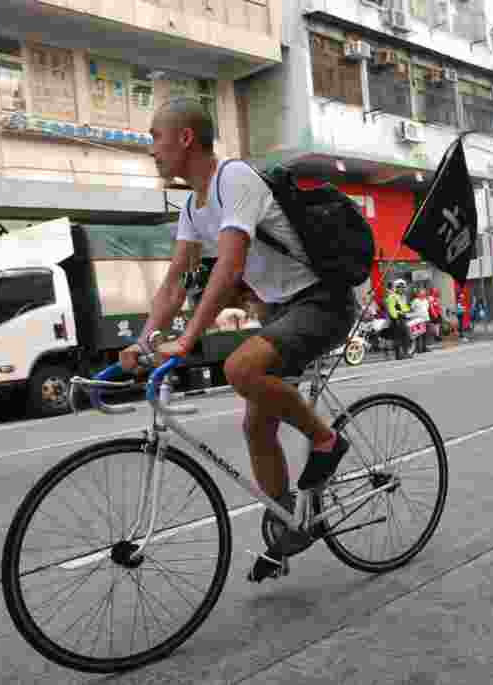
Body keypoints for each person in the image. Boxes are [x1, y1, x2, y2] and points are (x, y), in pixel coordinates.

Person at [126, 97, 356, 579]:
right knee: (255, 426)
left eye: (154, 137)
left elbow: (229, 265)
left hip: (322, 301)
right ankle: (290, 524)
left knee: (240, 369)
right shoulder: (193, 203)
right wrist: (146, 340)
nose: (151, 149)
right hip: (281, 310)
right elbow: (174, 281)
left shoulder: (234, 180)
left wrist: (186, 340)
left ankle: (326, 441)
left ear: (186, 138)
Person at [385, 279, 412, 358]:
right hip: (396, 319)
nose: (402, 289)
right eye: (399, 287)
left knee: (405, 336)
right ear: (396, 288)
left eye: (403, 287)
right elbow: (391, 309)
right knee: (399, 337)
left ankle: (405, 353)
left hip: (402, 318)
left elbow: (404, 307)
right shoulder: (392, 297)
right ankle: (399, 354)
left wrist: (408, 309)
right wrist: (396, 316)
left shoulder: (401, 297)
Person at [410, 288, 431, 353]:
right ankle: (418, 348)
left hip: (426, 319)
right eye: (421, 293)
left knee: (425, 334)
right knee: (418, 334)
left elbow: (427, 308)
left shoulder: (426, 301)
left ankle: (424, 347)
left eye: (423, 293)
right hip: (418, 320)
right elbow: (412, 308)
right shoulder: (415, 301)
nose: (423, 294)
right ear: (418, 294)